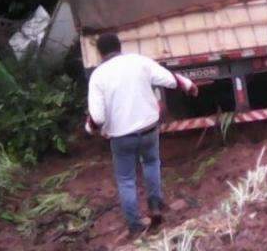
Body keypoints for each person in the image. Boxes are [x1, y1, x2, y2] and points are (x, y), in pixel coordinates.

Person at [85, 33, 198, 237]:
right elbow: (170, 78)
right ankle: (155, 204)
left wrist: (89, 128)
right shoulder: (138, 61)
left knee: (126, 179)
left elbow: (98, 117)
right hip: (148, 128)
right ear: (119, 47)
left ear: (100, 52)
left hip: (121, 136)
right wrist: (189, 86)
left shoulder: (98, 76)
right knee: (151, 163)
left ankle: (136, 224)